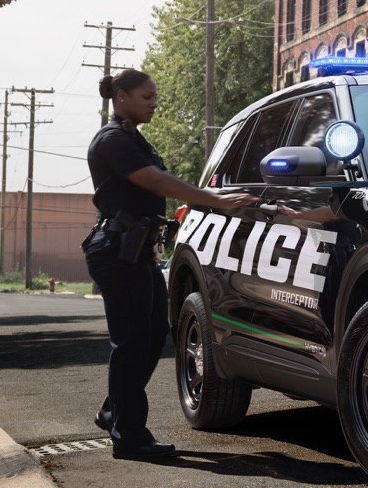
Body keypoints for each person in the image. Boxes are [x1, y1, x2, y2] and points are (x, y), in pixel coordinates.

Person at [85, 69, 259, 459]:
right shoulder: (112, 140)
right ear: (121, 96)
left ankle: (114, 410)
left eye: (154, 97)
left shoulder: (133, 139)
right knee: (130, 343)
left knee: (152, 337)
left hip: (137, 250)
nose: (154, 103)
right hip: (116, 250)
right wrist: (218, 200)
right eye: (146, 97)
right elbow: (157, 182)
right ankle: (129, 437)